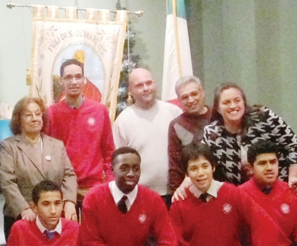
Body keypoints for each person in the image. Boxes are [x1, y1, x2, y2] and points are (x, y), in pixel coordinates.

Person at [201, 82, 297, 230]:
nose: (233, 106)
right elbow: (204, 163)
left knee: (296, 237)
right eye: (226, 102)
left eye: (237, 100)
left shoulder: (265, 117)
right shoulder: (212, 133)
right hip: (248, 196)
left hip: (286, 184)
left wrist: (293, 177)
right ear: (218, 108)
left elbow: (293, 146)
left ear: (244, 102)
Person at [0, 97, 77, 240]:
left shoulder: (57, 145)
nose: (34, 118)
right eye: (28, 115)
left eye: (37, 113)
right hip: (23, 217)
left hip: (53, 215)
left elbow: (69, 175)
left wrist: (69, 202)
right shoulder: (9, 146)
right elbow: (7, 182)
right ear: (19, 119)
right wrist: (24, 209)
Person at [47, 59, 115, 206]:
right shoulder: (52, 113)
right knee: (68, 229)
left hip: (93, 187)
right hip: (63, 187)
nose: (74, 82)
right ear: (61, 81)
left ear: (84, 80)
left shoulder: (99, 110)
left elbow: (109, 151)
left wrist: (110, 183)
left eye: (78, 77)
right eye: (68, 77)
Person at [113, 68, 182, 208]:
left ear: (154, 84)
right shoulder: (123, 121)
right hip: (140, 196)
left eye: (148, 83)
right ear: (130, 90)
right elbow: (118, 164)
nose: (146, 88)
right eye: (139, 85)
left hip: (176, 192)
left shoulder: (174, 112)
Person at [168, 76, 212, 194]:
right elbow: (175, 165)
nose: (191, 100)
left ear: (202, 92)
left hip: (224, 188)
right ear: (179, 100)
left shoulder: (218, 116)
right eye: (185, 97)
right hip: (193, 191)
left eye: (194, 94)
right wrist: (176, 192)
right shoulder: (176, 125)